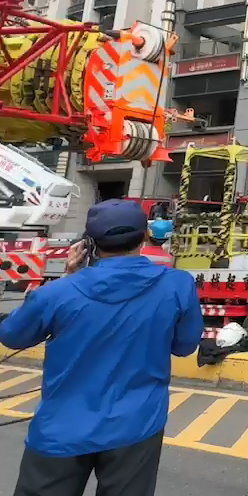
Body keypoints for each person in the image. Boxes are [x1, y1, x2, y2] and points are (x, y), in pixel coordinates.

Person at [0, 199, 203, 496]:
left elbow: (12, 335)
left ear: (89, 243)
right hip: (136, 425)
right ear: (145, 235)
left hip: (61, 428)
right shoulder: (177, 285)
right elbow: (185, 346)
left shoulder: (59, 293)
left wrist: (66, 278)